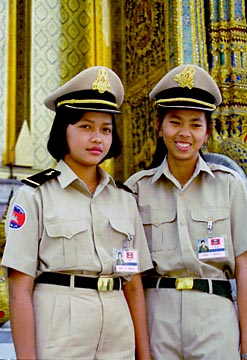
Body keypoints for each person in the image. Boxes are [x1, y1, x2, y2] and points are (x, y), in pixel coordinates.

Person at [2, 66, 153, 360]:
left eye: (105, 129)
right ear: (64, 130)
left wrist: (144, 355)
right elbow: (20, 287)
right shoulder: (34, 195)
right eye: (86, 126)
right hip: (59, 334)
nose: (97, 138)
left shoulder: (124, 199)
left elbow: (133, 284)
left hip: (117, 334)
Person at [126, 64, 247, 359]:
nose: (184, 133)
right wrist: (141, 347)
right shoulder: (136, 189)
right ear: (159, 127)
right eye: (175, 122)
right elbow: (131, 276)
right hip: (157, 317)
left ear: (207, 133)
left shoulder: (228, 185)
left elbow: (244, 266)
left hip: (215, 318)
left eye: (195, 124)